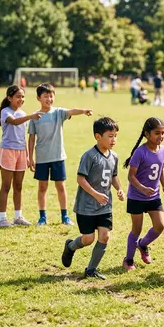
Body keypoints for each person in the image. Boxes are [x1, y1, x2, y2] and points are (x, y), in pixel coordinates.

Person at [61, 117, 124, 280]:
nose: (114, 139)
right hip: (87, 206)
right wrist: (95, 194)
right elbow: (80, 179)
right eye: (110, 136)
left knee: (105, 236)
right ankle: (70, 246)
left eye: (115, 135)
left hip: (105, 206)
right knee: (88, 239)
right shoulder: (89, 156)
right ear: (98, 136)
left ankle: (91, 269)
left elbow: (113, 176)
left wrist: (119, 189)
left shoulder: (114, 157)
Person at [28, 83, 93, 226]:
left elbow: (71, 111)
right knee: (42, 187)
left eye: (51, 96)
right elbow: (31, 138)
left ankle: (65, 216)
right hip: (42, 157)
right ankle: (42, 217)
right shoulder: (35, 116)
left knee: (61, 186)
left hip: (58, 156)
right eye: (46, 96)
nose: (49, 99)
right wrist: (30, 156)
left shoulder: (58, 112)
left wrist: (83, 111)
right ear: (39, 98)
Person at [122, 118, 164, 270]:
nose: (160, 136)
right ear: (147, 134)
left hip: (154, 196)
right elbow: (131, 176)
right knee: (136, 229)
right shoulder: (140, 152)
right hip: (136, 197)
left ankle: (142, 245)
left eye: (162, 133)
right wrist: (142, 188)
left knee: (160, 226)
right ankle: (128, 260)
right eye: (157, 133)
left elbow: (161, 169)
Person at [0, 86, 42, 227]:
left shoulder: (22, 113)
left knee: (18, 186)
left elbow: (23, 137)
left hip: (21, 153)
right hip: (8, 151)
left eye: (22, 97)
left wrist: (28, 157)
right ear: (9, 98)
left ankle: (18, 217)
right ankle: (2, 219)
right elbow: (15, 122)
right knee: (6, 186)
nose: (21, 99)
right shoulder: (5, 112)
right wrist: (31, 116)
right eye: (18, 96)